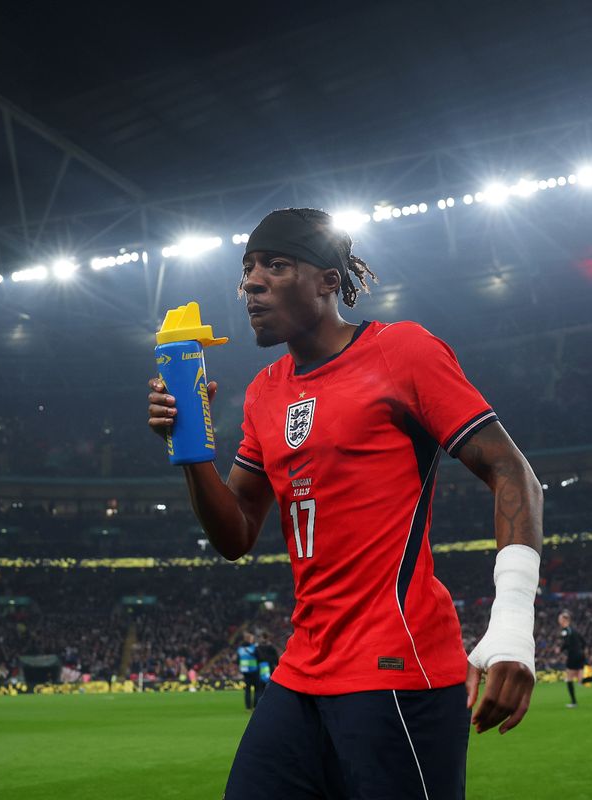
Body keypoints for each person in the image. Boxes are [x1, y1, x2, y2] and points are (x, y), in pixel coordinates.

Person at [147, 208, 543, 799]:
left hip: (396, 667)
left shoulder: (401, 351)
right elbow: (236, 535)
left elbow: (513, 472)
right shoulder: (265, 391)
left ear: (330, 281)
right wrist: (192, 449)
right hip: (303, 667)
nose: (251, 282)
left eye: (275, 265)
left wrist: (513, 624)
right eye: (248, 268)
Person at [558, 610, 592, 708]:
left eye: (560, 619)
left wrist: (560, 650)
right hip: (580, 655)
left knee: (569, 679)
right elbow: (584, 642)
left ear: (565, 620)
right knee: (580, 681)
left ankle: (574, 702)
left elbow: (567, 643)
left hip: (573, 656)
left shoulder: (565, 631)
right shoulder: (575, 630)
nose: (559, 621)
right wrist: (581, 652)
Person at [237, 633, 261, 710]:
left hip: (245, 671)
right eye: (252, 638)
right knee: (257, 689)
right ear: (249, 639)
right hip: (254, 670)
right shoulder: (253, 648)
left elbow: (238, 660)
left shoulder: (240, 649)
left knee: (247, 689)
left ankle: (248, 707)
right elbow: (260, 657)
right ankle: (255, 706)